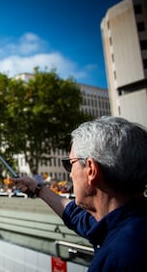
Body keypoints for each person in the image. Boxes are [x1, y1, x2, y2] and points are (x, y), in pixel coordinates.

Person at [14, 116, 147, 271]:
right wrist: (38, 188)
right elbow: (77, 216)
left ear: (91, 169)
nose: (70, 174)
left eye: (70, 164)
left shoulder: (120, 258)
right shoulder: (127, 220)